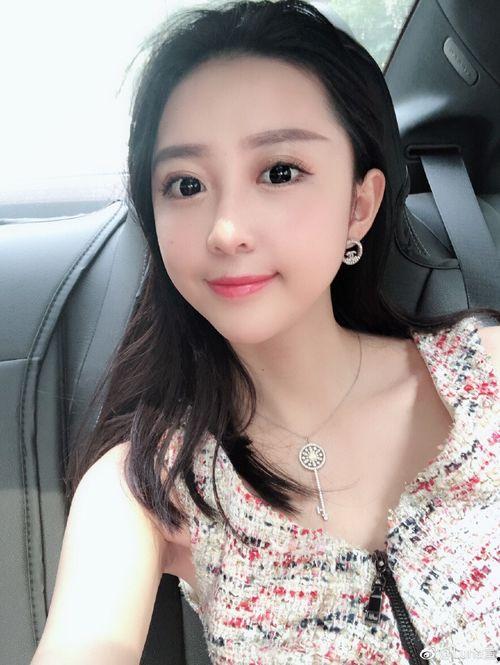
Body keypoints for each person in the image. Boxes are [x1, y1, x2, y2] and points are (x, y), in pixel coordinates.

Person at [32, 1, 500, 663]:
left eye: (279, 172)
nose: (226, 231)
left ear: (359, 204)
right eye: (185, 184)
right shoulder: (141, 488)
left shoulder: (486, 371)